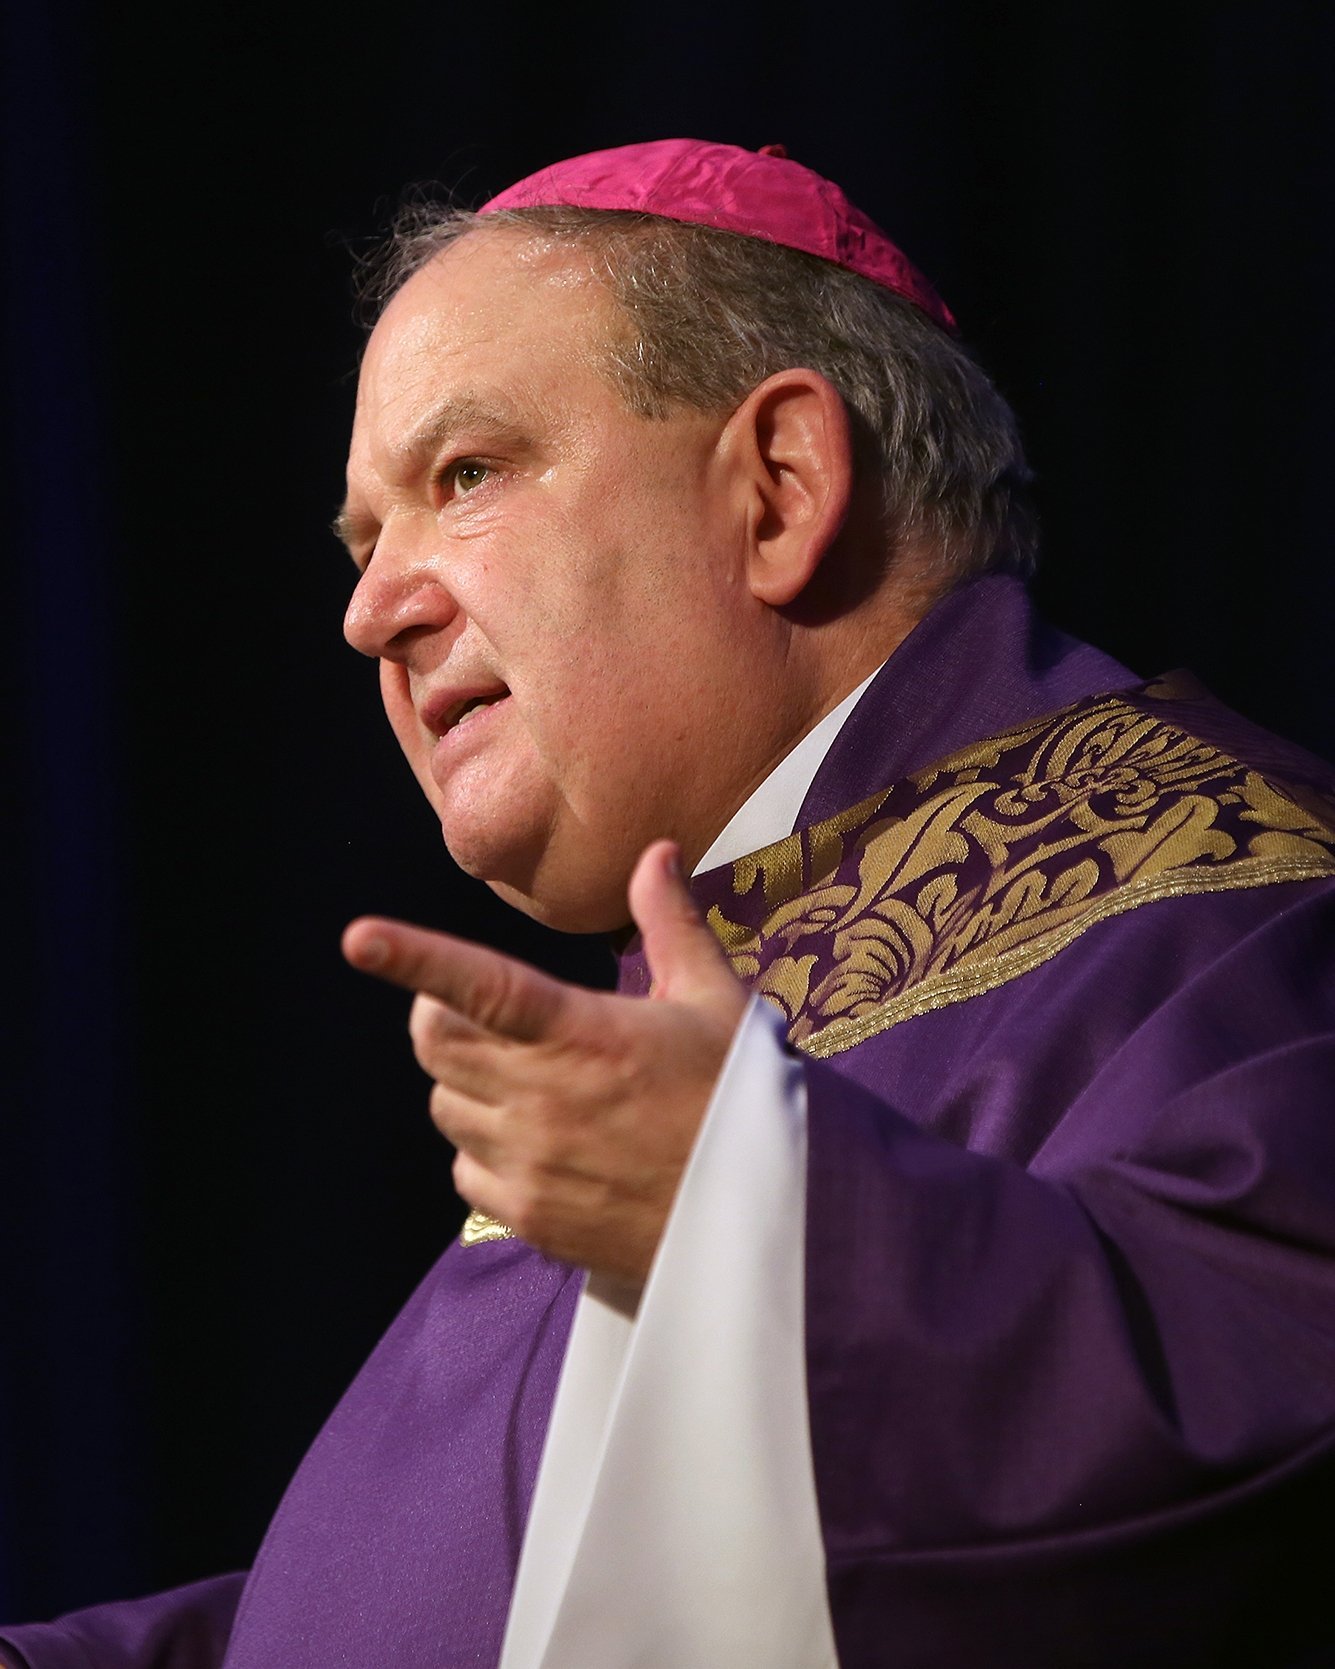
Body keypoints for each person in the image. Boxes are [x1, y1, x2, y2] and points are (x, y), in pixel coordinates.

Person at [4, 138, 1334, 1668]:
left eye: (464, 476)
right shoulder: (711, 959)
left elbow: (1267, 1400)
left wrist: (759, 1214)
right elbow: (504, 1595)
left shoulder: (1237, 896)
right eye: (366, 545)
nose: (371, 611)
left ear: (780, 490)